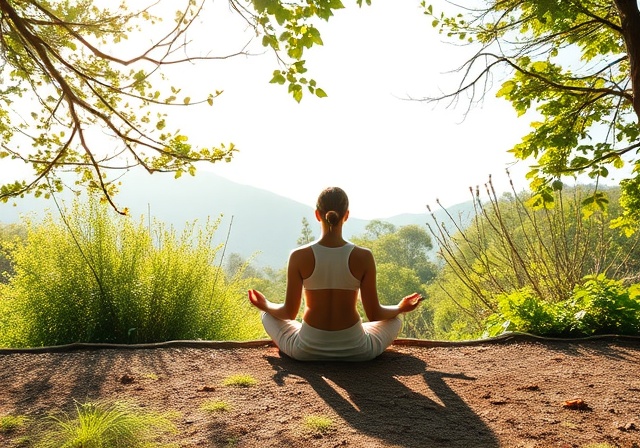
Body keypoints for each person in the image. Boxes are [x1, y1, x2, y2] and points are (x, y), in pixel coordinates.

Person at [248, 186, 423, 361]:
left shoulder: (299, 256)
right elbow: (375, 314)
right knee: (395, 320)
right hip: (357, 350)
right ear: (346, 215)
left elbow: (288, 313)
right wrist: (401, 307)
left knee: (267, 315)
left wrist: (265, 305)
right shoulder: (364, 256)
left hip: (306, 349)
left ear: (317, 215)